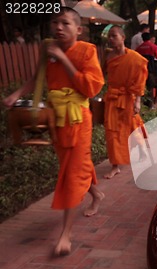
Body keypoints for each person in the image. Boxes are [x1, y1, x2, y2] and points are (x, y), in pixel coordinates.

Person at [2, 7, 105, 256]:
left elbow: (91, 88)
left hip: (79, 120)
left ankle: (65, 235)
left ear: (78, 30)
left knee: (71, 175)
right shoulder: (47, 51)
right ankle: (97, 194)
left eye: (65, 23)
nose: (58, 27)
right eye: (55, 22)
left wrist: (64, 58)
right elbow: (37, 79)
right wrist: (16, 94)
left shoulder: (86, 51)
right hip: (57, 120)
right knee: (73, 166)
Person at [103, 25, 148, 179]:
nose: (110, 39)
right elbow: (104, 76)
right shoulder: (108, 56)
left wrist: (138, 101)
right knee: (111, 132)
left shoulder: (134, 58)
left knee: (132, 128)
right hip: (112, 99)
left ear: (123, 38)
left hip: (128, 99)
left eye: (114, 35)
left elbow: (140, 81)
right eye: (109, 36)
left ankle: (142, 150)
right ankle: (115, 165)